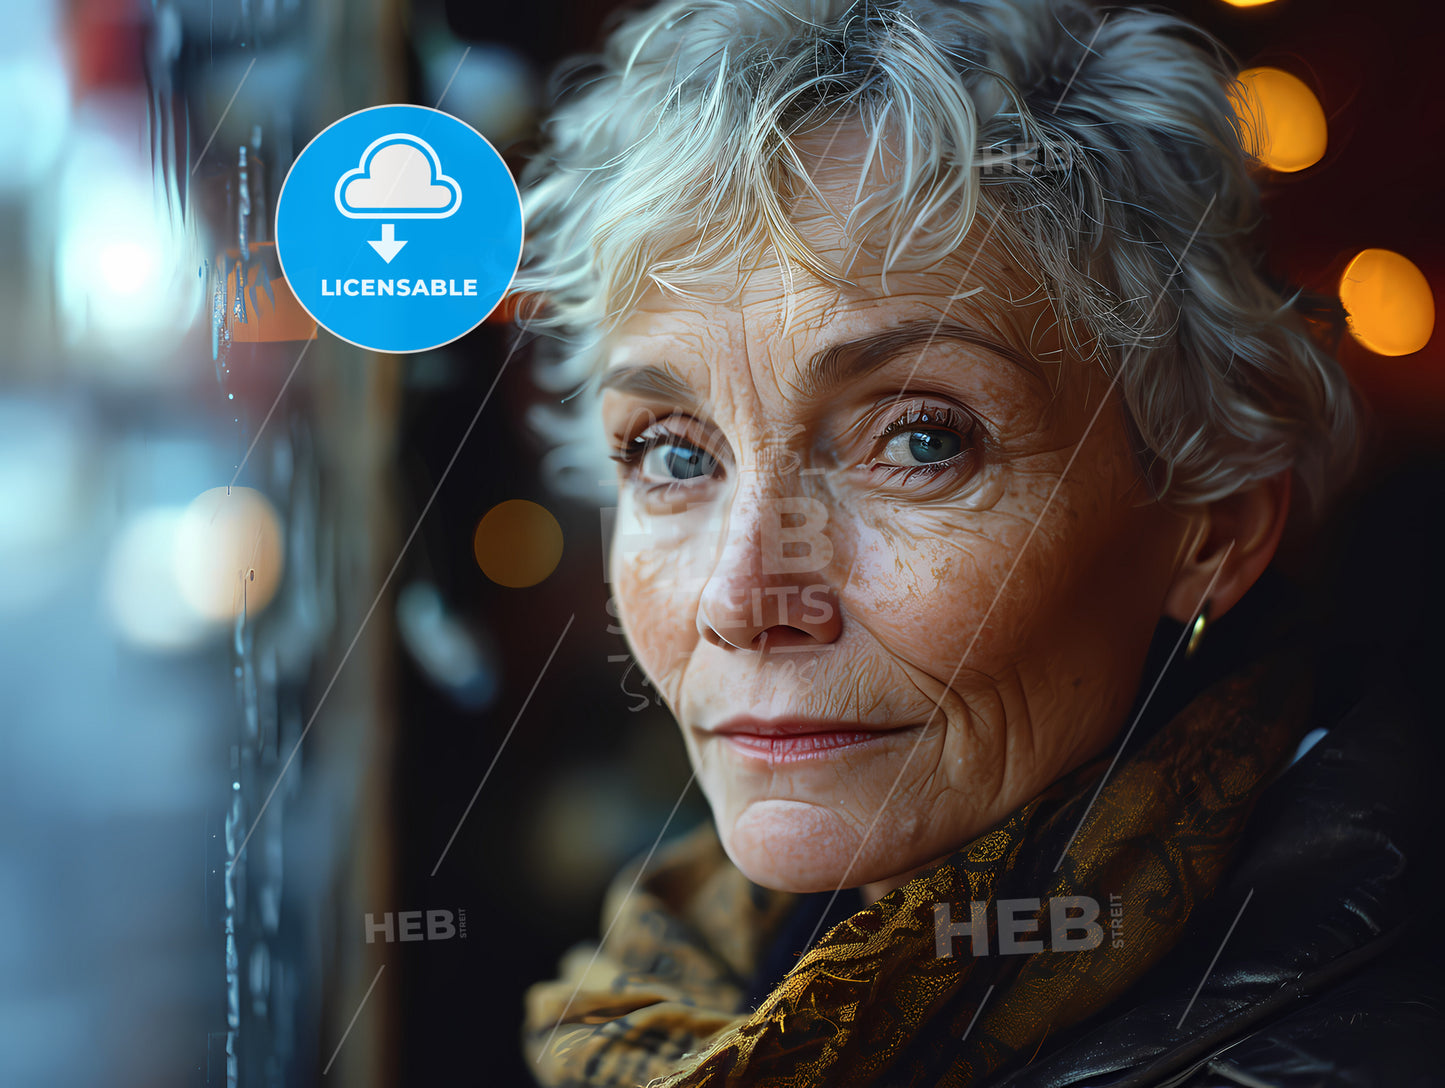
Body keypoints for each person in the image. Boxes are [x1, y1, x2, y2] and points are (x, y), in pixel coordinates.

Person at [511, 0, 1443, 1084]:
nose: (740, 591)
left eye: (917, 439)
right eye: (672, 454)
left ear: (1209, 527)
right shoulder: (687, 975)